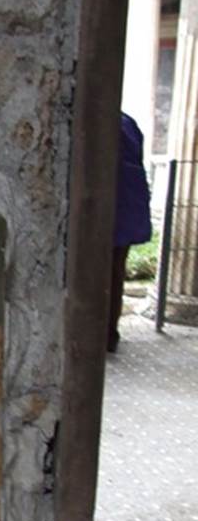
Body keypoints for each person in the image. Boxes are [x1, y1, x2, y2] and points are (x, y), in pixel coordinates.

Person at [109, 113, 152, 352]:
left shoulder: (101, 121)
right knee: (115, 273)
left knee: (95, 274)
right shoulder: (128, 124)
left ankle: (99, 335)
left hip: (109, 209)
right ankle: (109, 333)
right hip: (127, 209)